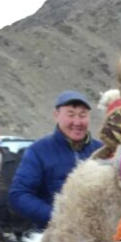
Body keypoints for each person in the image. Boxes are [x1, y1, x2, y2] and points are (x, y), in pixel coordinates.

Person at [8, 91, 101, 230]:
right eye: (70, 115)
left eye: (83, 115)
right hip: (53, 232)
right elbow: (19, 194)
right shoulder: (38, 150)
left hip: (98, 232)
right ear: (56, 116)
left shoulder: (102, 150)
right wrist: (57, 216)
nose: (77, 122)